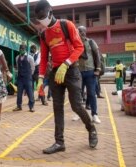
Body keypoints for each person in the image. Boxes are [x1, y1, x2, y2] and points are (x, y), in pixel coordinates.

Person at [35, 0, 98, 154]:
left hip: (71, 70)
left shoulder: (66, 25)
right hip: (56, 72)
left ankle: (91, 129)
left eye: (43, 16)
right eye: (39, 19)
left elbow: (79, 47)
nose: (42, 20)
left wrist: (66, 63)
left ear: (50, 11)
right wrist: (41, 78)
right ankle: (59, 142)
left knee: (76, 105)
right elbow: (43, 58)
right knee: (57, 107)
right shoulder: (43, 34)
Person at [72, 26, 101, 123]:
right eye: (79, 31)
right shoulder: (75, 43)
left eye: (82, 31)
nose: (80, 32)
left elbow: (97, 56)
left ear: (85, 32)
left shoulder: (91, 42)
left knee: (91, 94)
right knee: (78, 94)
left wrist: (98, 69)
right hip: (78, 72)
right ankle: (78, 113)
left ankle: (94, 114)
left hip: (90, 71)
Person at [13, 44, 35, 112]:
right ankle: (19, 106)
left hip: (27, 77)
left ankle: (31, 107)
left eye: (23, 48)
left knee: (29, 92)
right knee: (19, 93)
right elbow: (18, 67)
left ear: (25, 49)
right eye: (20, 48)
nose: (21, 50)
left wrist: (29, 75)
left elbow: (33, 67)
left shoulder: (29, 57)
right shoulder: (17, 57)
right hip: (20, 78)